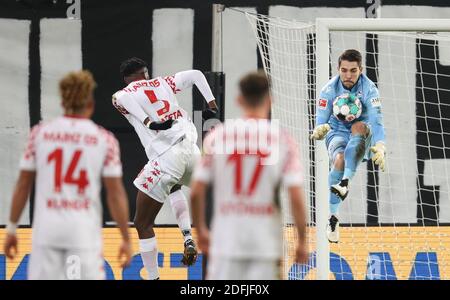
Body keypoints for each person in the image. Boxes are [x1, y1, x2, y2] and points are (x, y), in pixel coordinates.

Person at [3, 70, 132, 280]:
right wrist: (126, 238)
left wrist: (11, 229)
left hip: (47, 232)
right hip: (83, 232)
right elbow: (115, 193)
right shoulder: (104, 139)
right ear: (90, 103)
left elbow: (23, 184)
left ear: (62, 102)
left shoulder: (40, 133)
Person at [190, 71, 308, 280]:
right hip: (265, 243)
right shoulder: (282, 140)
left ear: (239, 100)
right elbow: (296, 196)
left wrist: (201, 230)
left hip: (226, 241)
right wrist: (302, 240)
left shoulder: (217, 136)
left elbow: (196, 192)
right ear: (270, 100)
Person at [112, 57, 218, 280]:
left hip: (167, 154)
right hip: (191, 151)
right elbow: (197, 74)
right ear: (146, 72)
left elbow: (119, 97)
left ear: (126, 78)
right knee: (175, 187)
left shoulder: (127, 92)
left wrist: (150, 123)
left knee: (142, 223)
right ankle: (188, 237)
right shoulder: (164, 82)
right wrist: (211, 104)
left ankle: (153, 278)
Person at [310, 49, 386, 243]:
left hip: (362, 134)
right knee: (339, 160)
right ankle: (333, 218)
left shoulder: (370, 89)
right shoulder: (328, 90)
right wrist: (318, 130)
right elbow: (321, 119)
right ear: (338, 69)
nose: (348, 75)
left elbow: (376, 121)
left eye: (353, 70)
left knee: (359, 126)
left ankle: (344, 182)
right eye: (344, 70)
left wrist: (381, 145)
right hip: (336, 133)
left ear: (361, 69)